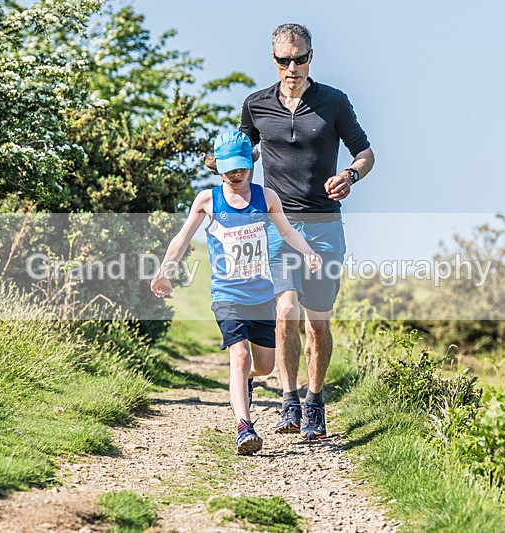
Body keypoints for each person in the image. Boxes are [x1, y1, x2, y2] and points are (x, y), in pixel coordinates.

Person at [208, 23, 375, 440]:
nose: (292, 67)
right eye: (284, 60)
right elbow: (241, 153)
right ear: (274, 61)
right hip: (277, 225)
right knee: (284, 313)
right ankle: (289, 401)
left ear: (310, 57)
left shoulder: (333, 102)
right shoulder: (257, 104)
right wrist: (219, 163)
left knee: (317, 323)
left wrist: (350, 176)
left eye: (299, 58)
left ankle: (315, 402)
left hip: (324, 226)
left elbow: (366, 152)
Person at [152, 130, 322, 455]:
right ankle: (244, 427)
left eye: (241, 167)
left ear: (251, 164)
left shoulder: (267, 197)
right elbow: (182, 239)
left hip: (260, 296)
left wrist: (308, 252)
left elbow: (286, 232)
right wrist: (164, 272)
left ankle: (245, 382)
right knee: (239, 357)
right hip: (227, 294)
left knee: (265, 366)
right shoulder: (207, 200)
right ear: (217, 167)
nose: (235, 174)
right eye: (229, 168)